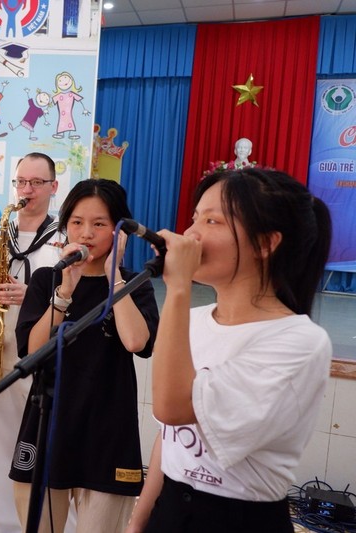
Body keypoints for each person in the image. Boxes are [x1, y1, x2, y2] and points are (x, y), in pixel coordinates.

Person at [126, 168, 333, 533]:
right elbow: (171, 442)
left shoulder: (299, 342)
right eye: (194, 218)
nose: (191, 234)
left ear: (266, 243)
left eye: (212, 220)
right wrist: (138, 521)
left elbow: (173, 408)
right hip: (170, 508)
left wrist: (177, 289)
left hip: (237, 520)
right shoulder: (192, 318)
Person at [11, 179, 160, 533]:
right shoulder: (47, 280)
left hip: (109, 433)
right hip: (49, 426)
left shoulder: (136, 283)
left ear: (119, 231)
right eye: (77, 222)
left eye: (99, 224)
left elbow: (137, 342)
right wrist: (64, 292)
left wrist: (115, 279)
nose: (87, 233)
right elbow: (34, 351)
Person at [0, 153, 63, 533]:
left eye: (36, 183)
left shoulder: (64, 240)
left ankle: (52, 525)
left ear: (53, 188)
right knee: (1, 448)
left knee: (49, 450)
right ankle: (5, 524)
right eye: (21, 182)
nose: (27, 190)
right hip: (2, 357)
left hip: (46, 360)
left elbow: (77, 300)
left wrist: (33, 295)